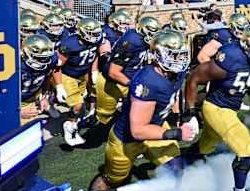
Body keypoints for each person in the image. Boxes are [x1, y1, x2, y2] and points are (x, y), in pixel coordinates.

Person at [83, 30, 196, 191]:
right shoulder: (148, 81)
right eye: (173, 55)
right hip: (129, 138)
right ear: (158, 55)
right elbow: (138, 130)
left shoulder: (175, 71)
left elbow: (175, 92)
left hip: (156, 127)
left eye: (181, 54)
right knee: (111, 181)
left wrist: (181, 115)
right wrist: (176, 133)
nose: (179, 60)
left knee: (176, 169)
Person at [183, 24, 250, 191]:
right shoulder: (230, 56)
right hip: (216, 107)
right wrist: (190, 113)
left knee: (207, 145)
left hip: (230, 109)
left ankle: (188, 157)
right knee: (247, 149)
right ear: (247, 45)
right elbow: (193, 79)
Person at [94, 17, 161, 127]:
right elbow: (113, 72)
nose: (153, 37)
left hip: (129, 80)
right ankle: (74, 126)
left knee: (142, 111)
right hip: (111, 82)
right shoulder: (131, 41)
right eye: (150, 33)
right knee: (101, 119)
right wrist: (133, 85)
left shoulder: (143, 40)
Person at [53, 18, 106, 146]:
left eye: (96, 33)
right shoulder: (70, 44)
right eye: (91, 33)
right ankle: (69, 128)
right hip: (68, 75)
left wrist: (93, 71)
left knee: (79, 104)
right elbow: (57, 66)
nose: (94, 37)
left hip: (82, 75)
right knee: (77, 105)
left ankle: (73, 126)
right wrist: (59, 86)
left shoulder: (96, 40)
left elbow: (94, 55)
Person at [19, 35, 58, 126]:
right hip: (12, 103)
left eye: (44, 57)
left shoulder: (49, 61)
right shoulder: (16, 66)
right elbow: (0, 95)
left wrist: (44, 96)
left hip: (30, 100)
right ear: (25, 53)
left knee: (30, 131)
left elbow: (46, 77)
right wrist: (16, 112)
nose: (41, 61)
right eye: (37, 57)